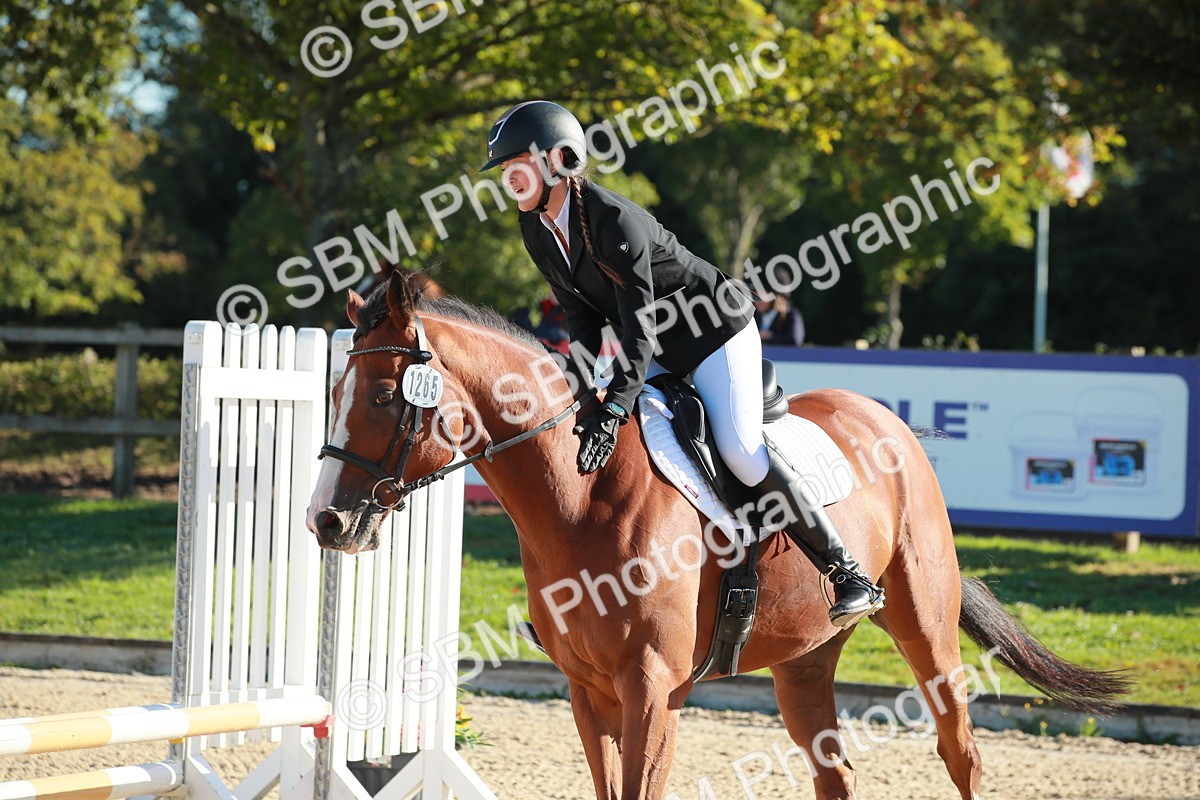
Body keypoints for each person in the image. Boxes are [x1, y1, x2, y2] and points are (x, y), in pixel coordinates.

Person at [480, 100, 883, 628]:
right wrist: (580, 394)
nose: (507, 178)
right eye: (504, 170)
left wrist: (617, 403)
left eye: (516, 165)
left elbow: (636, 327)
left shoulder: (613, 220)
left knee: (740, 449)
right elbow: (582, 321)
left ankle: (846, 570)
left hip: (714, 334)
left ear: (558, 160)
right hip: (657, 348)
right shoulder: (536, 229)